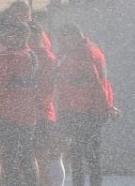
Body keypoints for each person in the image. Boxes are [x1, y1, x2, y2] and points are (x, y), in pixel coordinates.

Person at [53, 25, 117, 186]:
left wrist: (106, 107)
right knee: (87, 155)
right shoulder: (83, 50)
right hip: (81, 110)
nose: (61, 43)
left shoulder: (83, 54)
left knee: (81, 155)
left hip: (85, 111)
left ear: (73, 36)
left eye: (63, 39)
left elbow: (96, 83)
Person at [0, 21, 40, 186]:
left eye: (11, 35)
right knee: (25, 156)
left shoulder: (10, 57)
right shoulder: (32, 55)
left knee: (10, 160)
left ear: (23, 36)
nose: (7, 38)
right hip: (27, 115)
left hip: (9, 115)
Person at [28, 24, 60, 186]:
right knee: (32, 160)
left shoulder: (46, 58)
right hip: (29, 115)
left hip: (40, 115)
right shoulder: (27, 55)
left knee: (41, 159)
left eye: (33, 36)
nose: (30, 40)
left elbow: (46, 88)